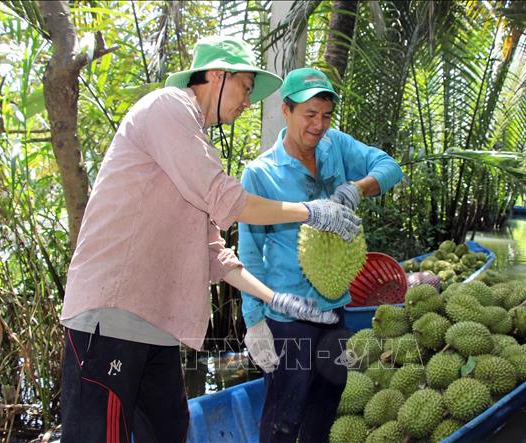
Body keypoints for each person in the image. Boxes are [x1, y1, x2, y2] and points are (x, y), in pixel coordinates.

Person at [59, 37, 362, 442]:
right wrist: (312, 211)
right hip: (113, 316)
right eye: (245, 88)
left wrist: (275, 299)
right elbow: (229, 200)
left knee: (171, 432)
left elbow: (212, 252)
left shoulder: (197, 146)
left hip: (158, 325)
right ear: (218, 75)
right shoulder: (166, 107)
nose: (248, 103)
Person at [238, 67, 403, 442]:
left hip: (333, 309)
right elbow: (249, 253)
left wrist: (357, 188)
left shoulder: (336, 146)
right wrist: (254, 321)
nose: (318, 125)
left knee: (327, 403)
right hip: (286, 316)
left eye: (326, 116)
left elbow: (389, 168)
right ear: (286, 111)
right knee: (285, 414)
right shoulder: (261, 174)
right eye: (309, 115)